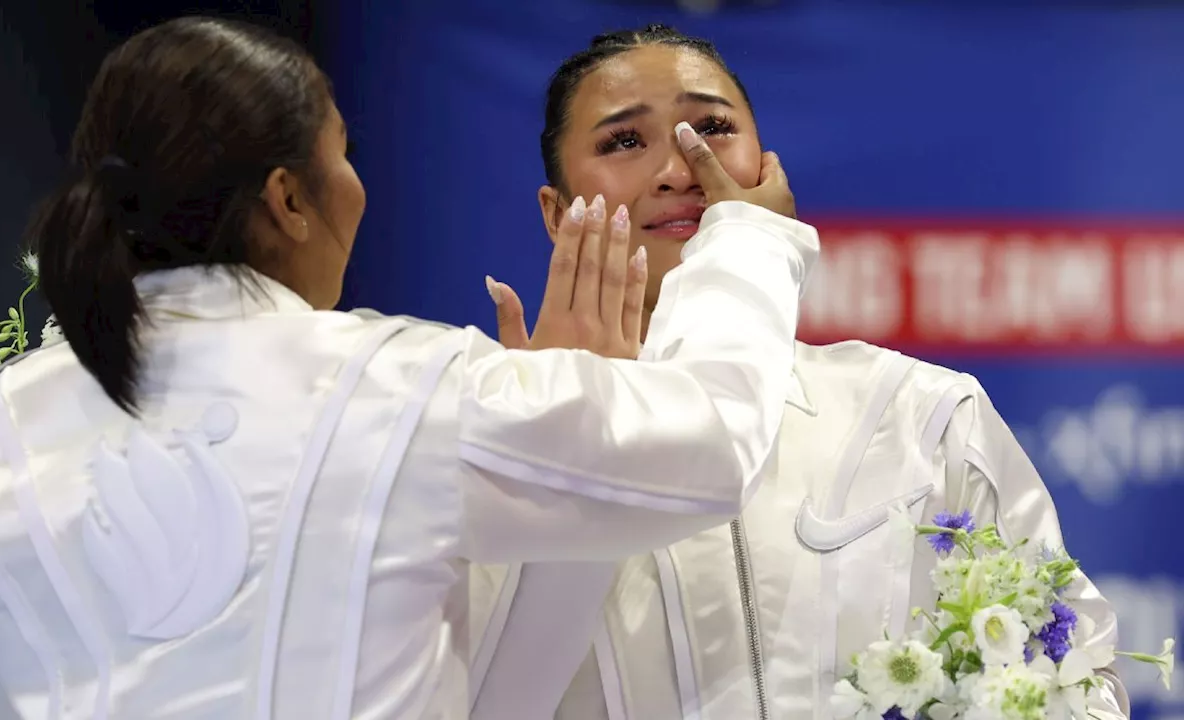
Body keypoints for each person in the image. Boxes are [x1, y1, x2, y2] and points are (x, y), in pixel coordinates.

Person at [0, 17, 820, 720]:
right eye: (344, 155)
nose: (359, 189)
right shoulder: (401, 387)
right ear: (289, 198)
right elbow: (712, 442)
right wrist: (750, 239)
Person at [470, 25, 1131, 720]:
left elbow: (1084, 682)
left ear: (767, 170)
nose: (679, 168)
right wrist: (544, 454)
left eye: (712, 128)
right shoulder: (492, 439)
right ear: (556, 213)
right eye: (625, 141)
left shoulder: (920, 413)